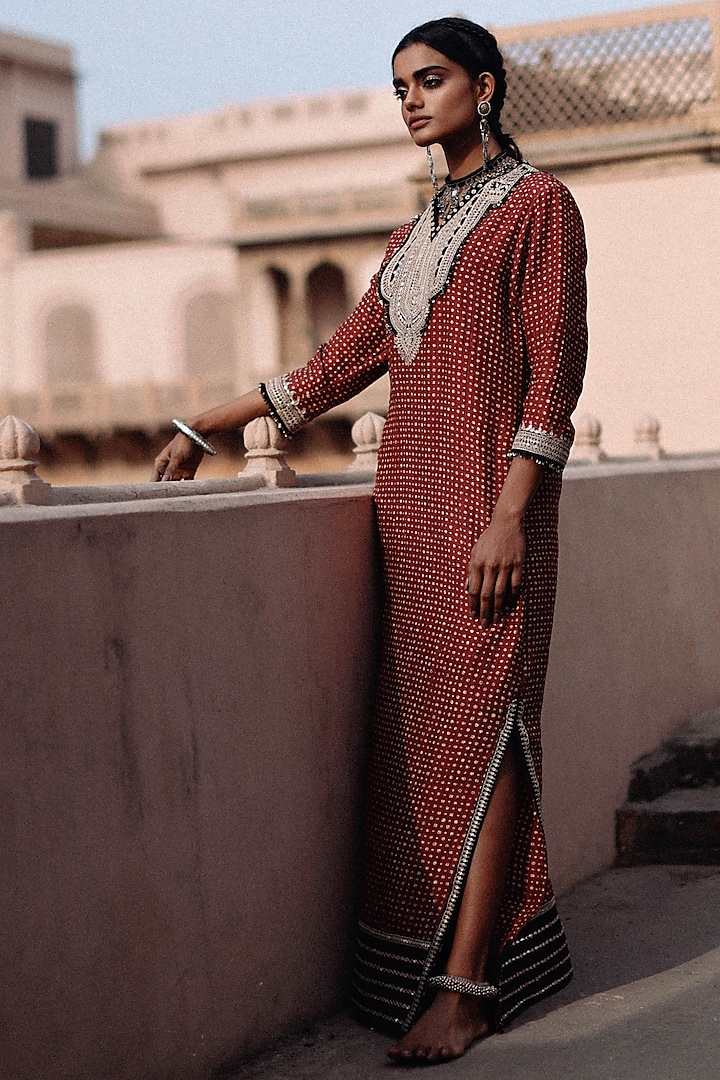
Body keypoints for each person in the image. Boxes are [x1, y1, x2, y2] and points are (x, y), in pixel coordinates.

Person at [152, 17, 587, 1066]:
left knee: (496, 726)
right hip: (411, 518)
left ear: (483, 87)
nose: (410, 101)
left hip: (493, 517)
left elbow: (554, 371)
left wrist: (511, 515)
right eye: (398, 87)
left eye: (429, 80)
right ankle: (449, 967)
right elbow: (333, 369)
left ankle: (469, 988)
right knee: (434, 748)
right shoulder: (409, 241)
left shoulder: (540, 208)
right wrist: (202, 422)